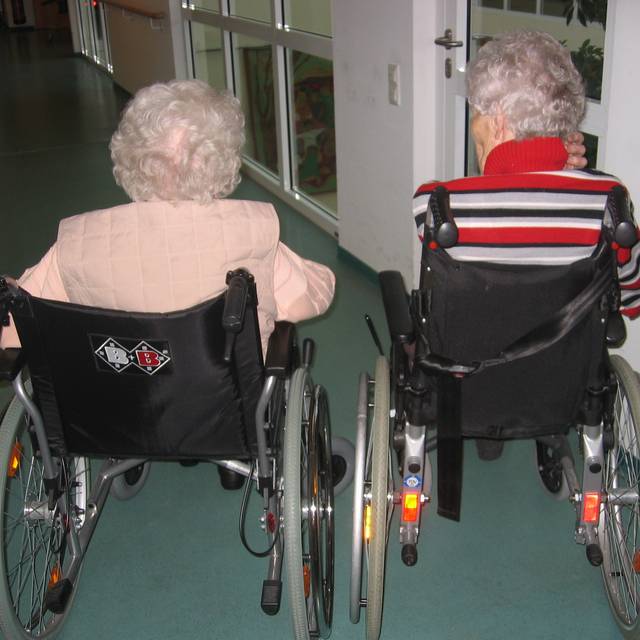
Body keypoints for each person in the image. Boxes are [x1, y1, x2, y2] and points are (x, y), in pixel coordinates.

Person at [412, 30, 640, 458]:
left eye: (476, 114)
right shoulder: (609, 201)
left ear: (498, 120)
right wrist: (564, 173)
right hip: (561, 387)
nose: (473, 126)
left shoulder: (436, 205)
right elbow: (629, 294)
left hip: (467, 384)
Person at [0, 80, 335, 355]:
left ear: (130, 156)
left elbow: (11, 333)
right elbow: (310, 299)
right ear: (224, 160)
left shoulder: (76, 242)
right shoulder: (252, 232)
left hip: (115, 409)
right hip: (229, 408)